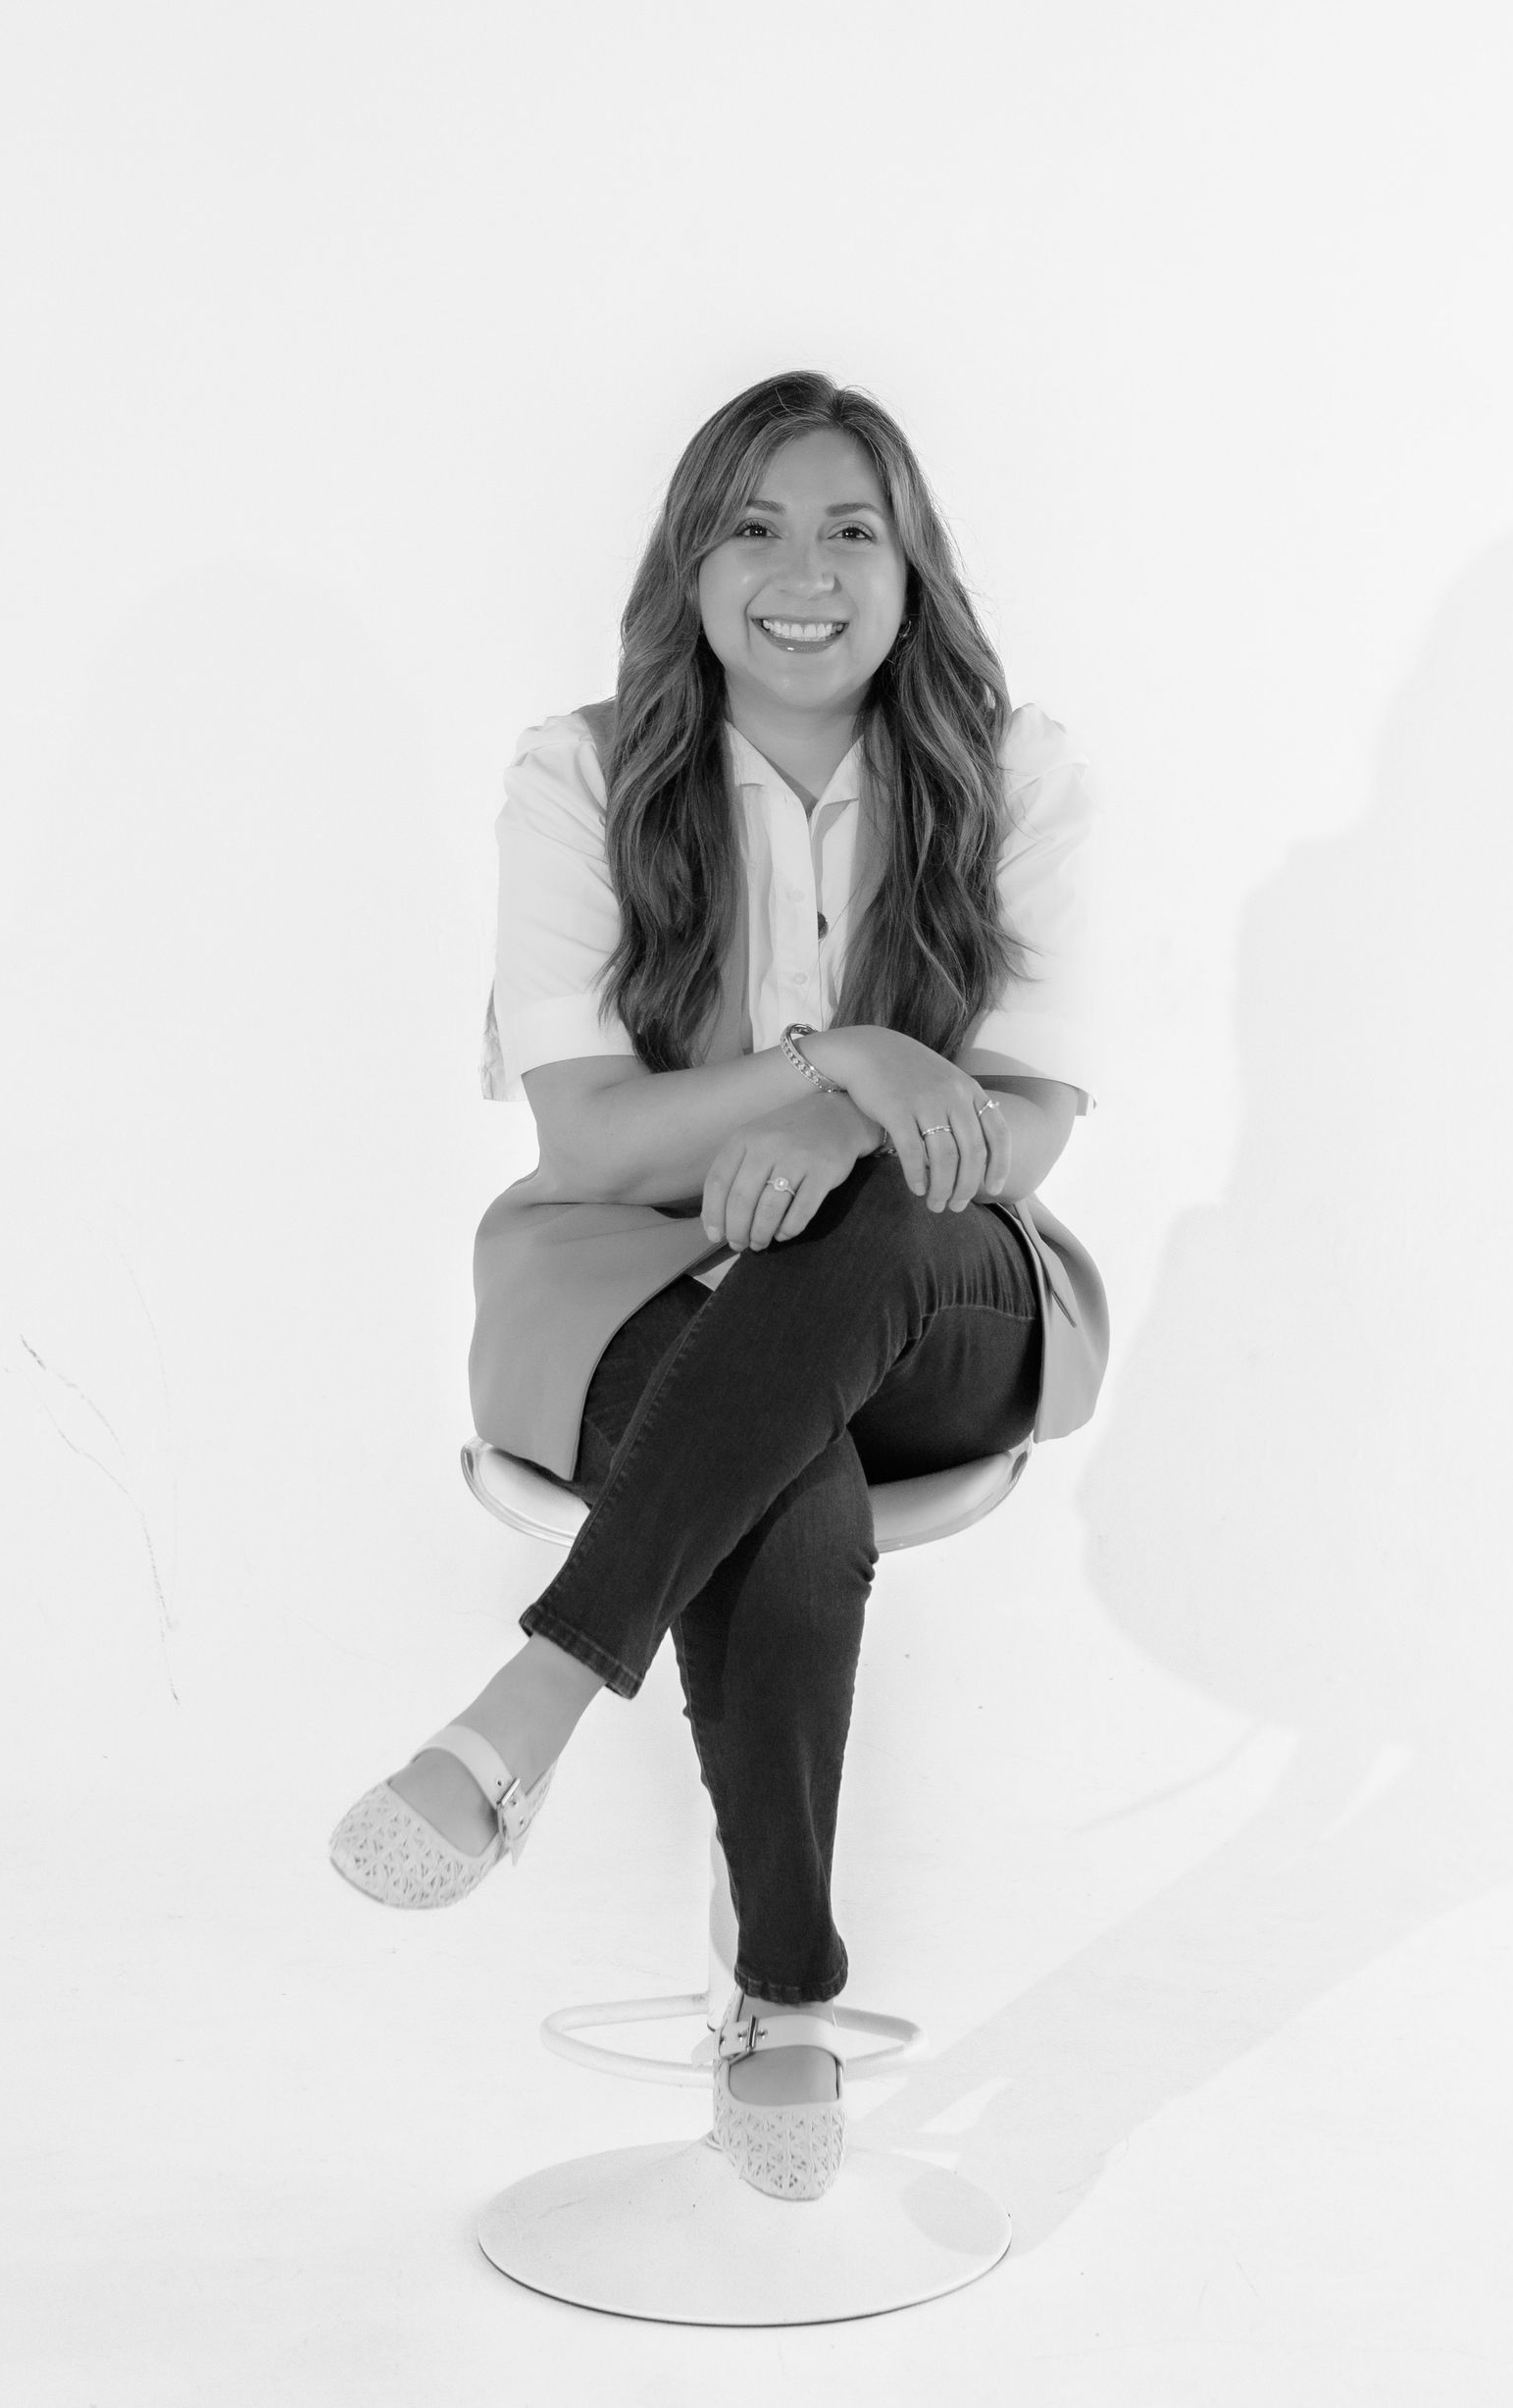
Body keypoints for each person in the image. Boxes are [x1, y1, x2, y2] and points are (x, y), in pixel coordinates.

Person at [329, 370, 1108, 2200]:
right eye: (753, 524)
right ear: (688, 562)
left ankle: (524, 1713)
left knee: (878, 1243)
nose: (803, 570)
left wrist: (863, 1137)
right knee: (788, 1464)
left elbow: (1033, 1126)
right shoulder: (582, 774)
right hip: (622, 1290)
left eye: (854, 527)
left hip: (942, 1290)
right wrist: (855, 1064)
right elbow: (593, 1147)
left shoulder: (1020, 777)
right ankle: (789, 2006)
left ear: (915, 567)